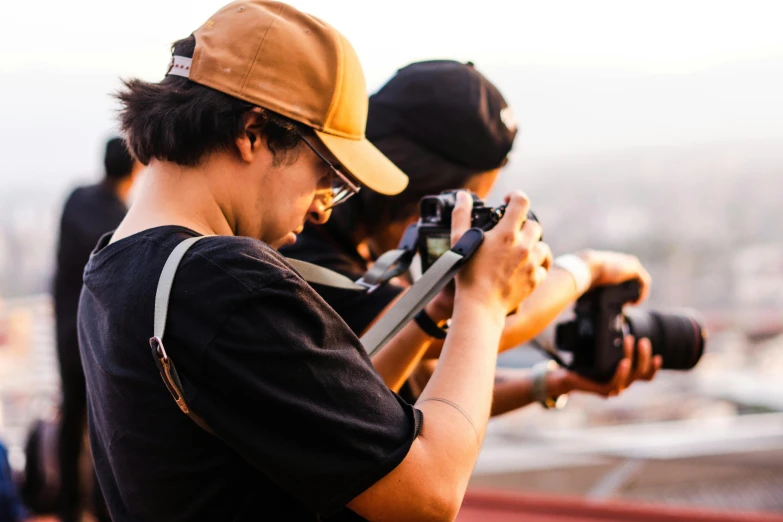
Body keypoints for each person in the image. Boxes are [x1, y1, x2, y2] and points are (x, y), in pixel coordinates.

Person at [77, 2, 551, 521]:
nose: (326, 205)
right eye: (327, 171)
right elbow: (427, 493)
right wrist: (484, 303)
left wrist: (429, 310)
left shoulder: (116, 266)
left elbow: (329, 417)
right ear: (253, 130)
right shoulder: (225, 282)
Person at [281, 60, 662, 413]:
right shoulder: (304, 252)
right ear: (426, 189)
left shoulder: (367, 252)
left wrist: (550, 383)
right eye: (460, 205)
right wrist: (585, 269)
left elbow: (428, 391)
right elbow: (478, 326)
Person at [52, 136, 142, 522]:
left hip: (64, 333)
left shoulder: (76, 198)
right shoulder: (123, 222)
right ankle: (103, 513)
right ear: (136, 169)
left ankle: (68, 509)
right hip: (96, 336)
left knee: (71, 423)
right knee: (105, 429)